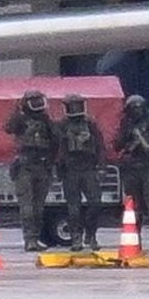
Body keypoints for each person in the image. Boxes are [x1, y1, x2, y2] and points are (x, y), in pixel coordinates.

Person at [3, 89, 57, 252]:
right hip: (25, 166)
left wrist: (51, 162)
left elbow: (56, 139)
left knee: (39, 207)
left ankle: (35, 238)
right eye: (33, 101)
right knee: (27, 207)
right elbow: (9, 128)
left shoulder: (46, 120)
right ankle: (29, 240)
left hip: (42, 166)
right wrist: (17, 111)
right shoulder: (20, 119)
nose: (38, 104)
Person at [114, 94, 149, 250]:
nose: (136, 112)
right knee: (134, 208)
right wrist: (128, 137)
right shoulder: (126, 125)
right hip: (132, 169)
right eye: (133, 109)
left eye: (138, 108)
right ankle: (135, 239)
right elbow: (117, 145)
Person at [56, 93, 106, 251]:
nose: (75, 108)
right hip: (70, 170)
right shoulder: (62, 125)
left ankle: (91, 235)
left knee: (95, 203)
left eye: (78, 104)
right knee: (73, 207)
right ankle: (76, 238)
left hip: (89, 168)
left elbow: (100, 146)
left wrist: (102, 167)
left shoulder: (90, 124)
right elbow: (57, 147)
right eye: (72, 105)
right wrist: (58, 168)